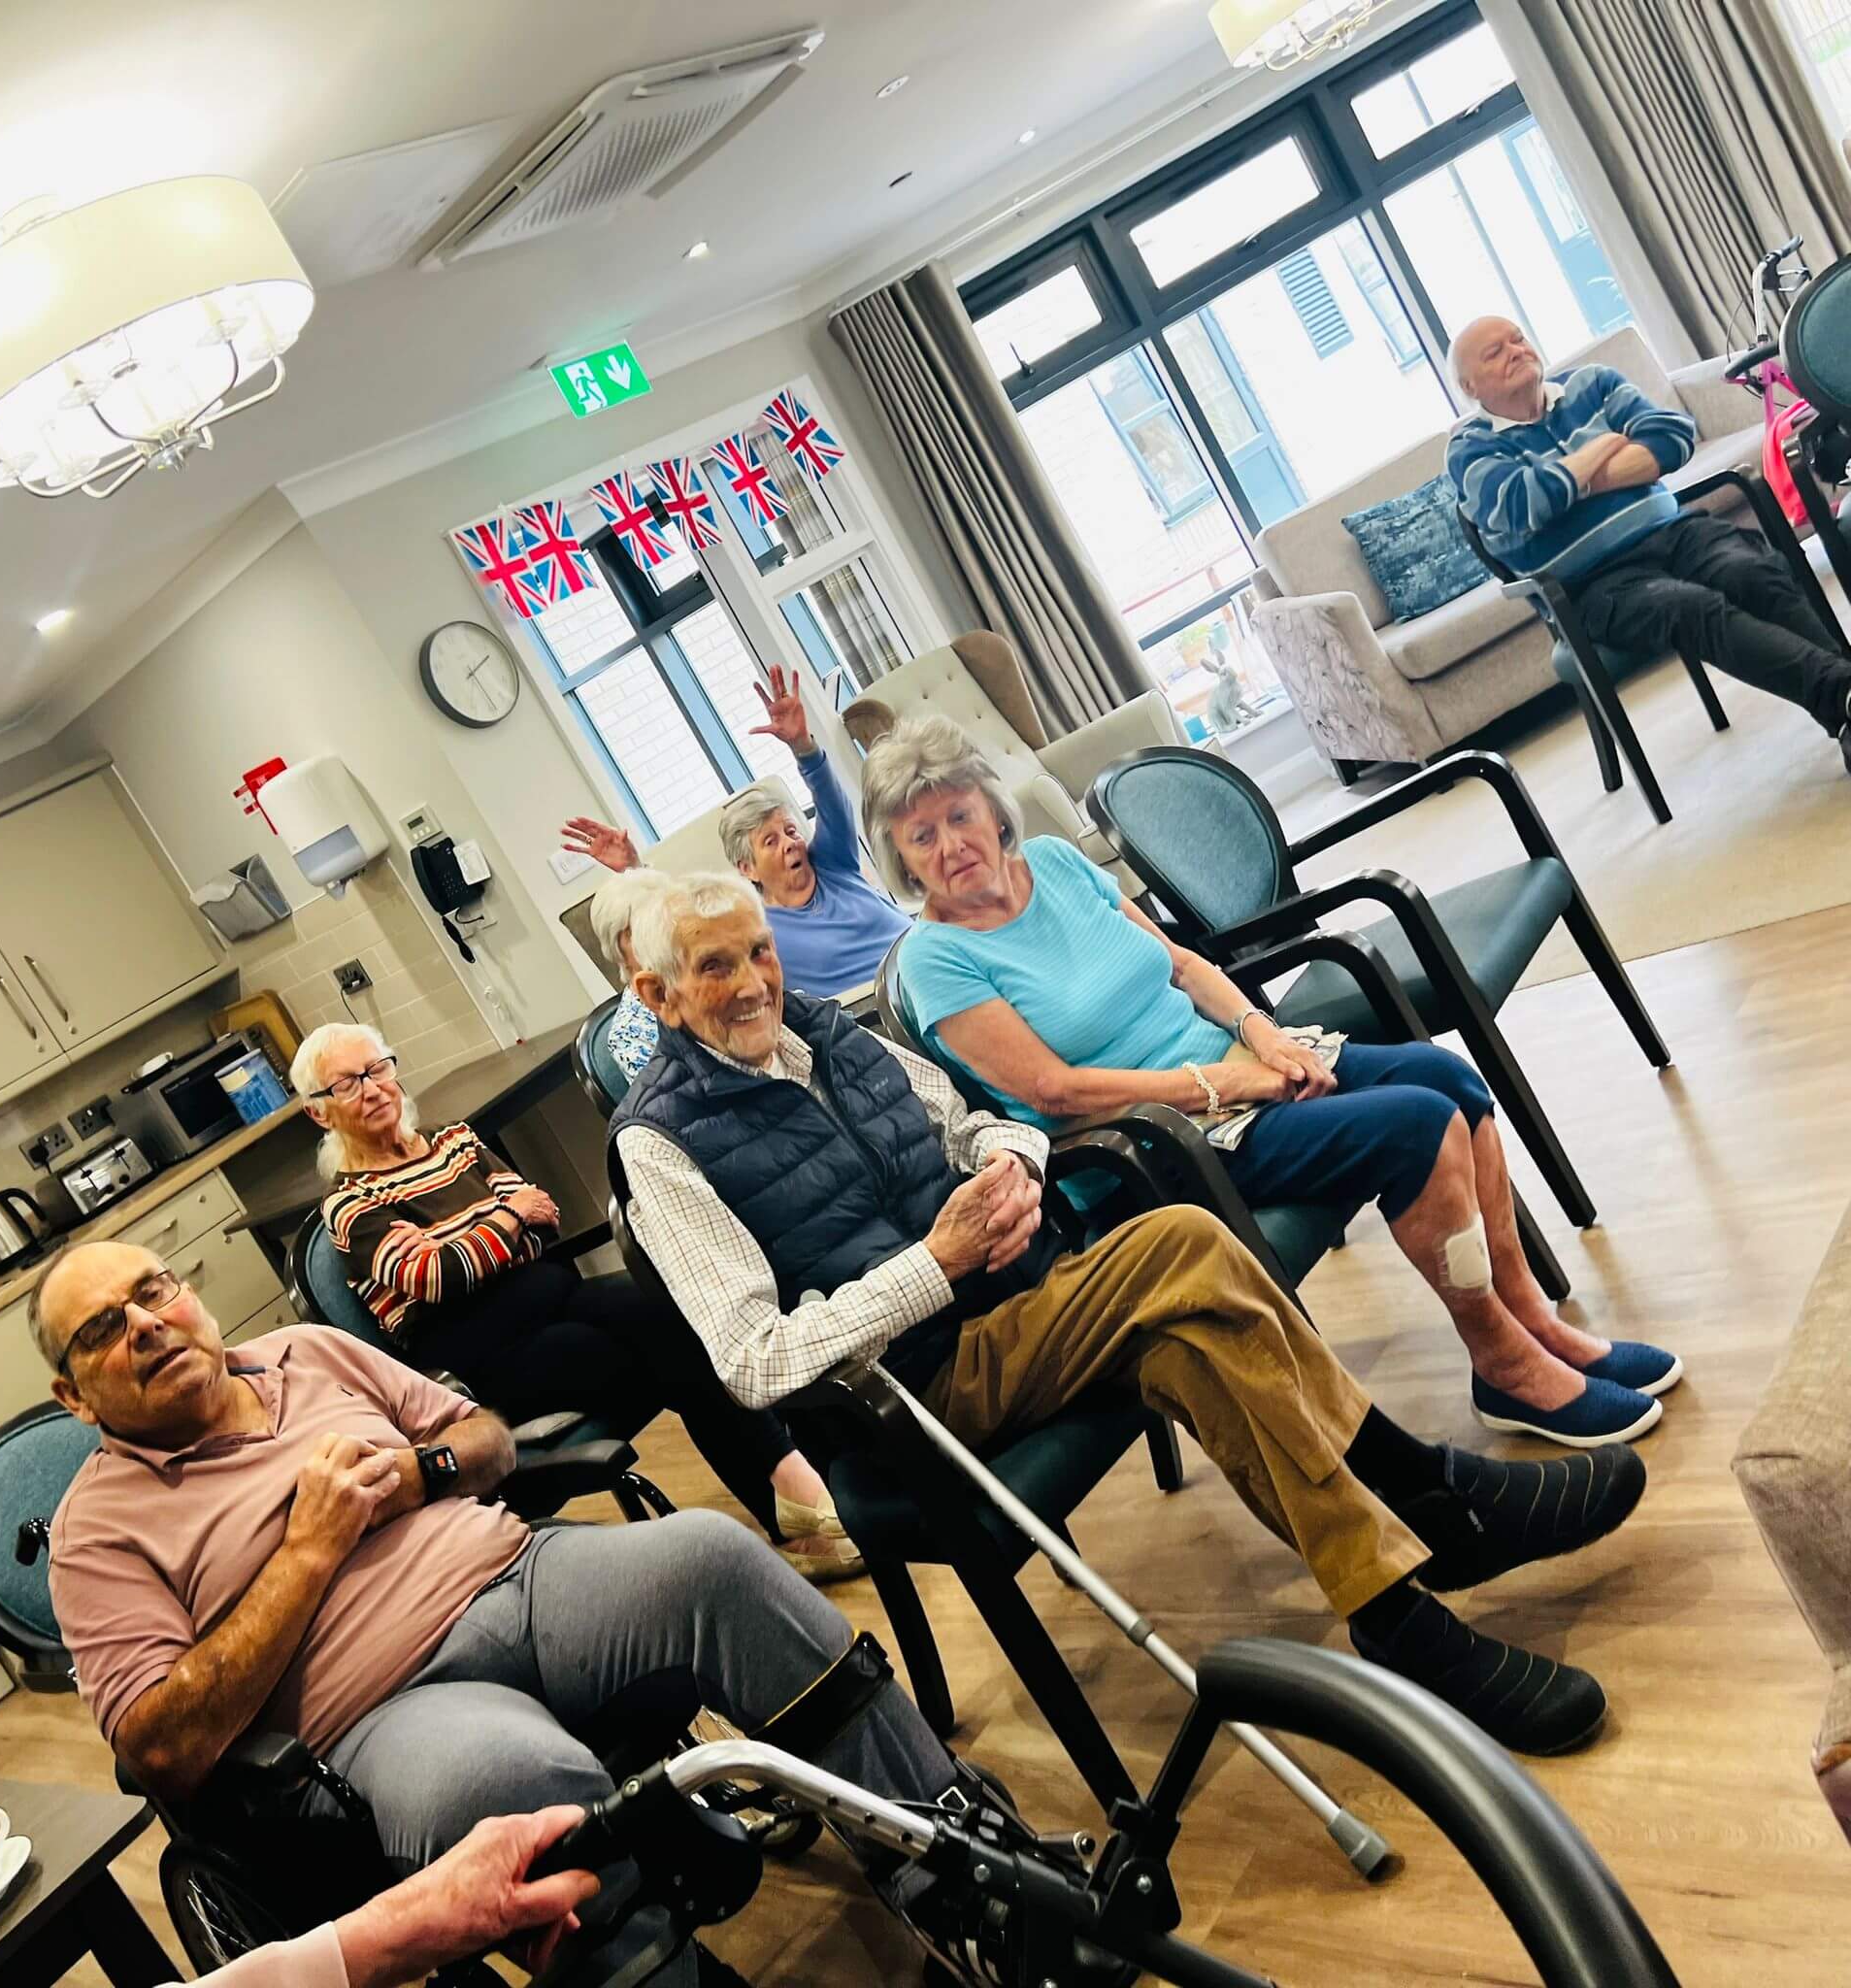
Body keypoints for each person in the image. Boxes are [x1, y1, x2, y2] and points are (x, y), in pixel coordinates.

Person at [610, 871, 1649, 1758]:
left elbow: (975, 1126)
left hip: (1016, 1304)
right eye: (713, 968)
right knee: (1183, 1239)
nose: (752, 982)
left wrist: (1009, 1174)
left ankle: (1399, 1613)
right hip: (910, 1392)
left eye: (758, 951)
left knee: (1195, 1340)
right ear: (654, 993)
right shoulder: (659, 1143)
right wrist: (937, 1260)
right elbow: (753, 1362)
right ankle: (1426, 1488)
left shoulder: (830, 1032)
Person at [34, 1240, 974, 1987]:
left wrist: (419, 1471)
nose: (146, 1323)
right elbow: (159, 1745)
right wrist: (308, 1549)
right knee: (519, 1781)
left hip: (524, 1576)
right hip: (380, 1711)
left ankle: (961, 1884)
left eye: (153, 1289)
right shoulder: (95, 1531)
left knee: (713, 1554)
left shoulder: (307, 1348)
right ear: (73, 1395)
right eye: (103, 1328)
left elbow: (482, 1435)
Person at [861, 715, 1678, 1450]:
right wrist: (1227, 1080)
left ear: (991, 810)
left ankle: (1531, 1318)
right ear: (902, 861)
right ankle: (1501, 1363)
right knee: (1415, 1128)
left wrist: (1264, 1033)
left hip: (1233, 1066)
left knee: (1448, 1078)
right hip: (1152, 1146)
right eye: (920, 837)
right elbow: (1054, 1091)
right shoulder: (937, 960)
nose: (949, 846)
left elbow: (1180, 962)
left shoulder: (1055, 864)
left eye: (957, 817)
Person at [294, 1022, 858, 1582]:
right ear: (319, 1113)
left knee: (675, 1313)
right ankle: (802, 1497)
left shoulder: (453, 1141)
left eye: (377, 1069)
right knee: (664, 1341)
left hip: (553, 1303)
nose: (371, 1089)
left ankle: (795, 1502)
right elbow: (437, 1275)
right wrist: (508, 1220)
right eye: (346, 1084)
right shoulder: (350, 1204)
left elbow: (545, 1218)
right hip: (483, 1363)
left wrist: (488, 1237)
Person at [1447, 314, 1851, 776]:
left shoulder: (1591, 385)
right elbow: (1521, 506)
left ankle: (1845, 709)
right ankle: (1842, 692)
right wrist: (1608, 445)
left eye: (1518, 338)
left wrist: (1569, 481)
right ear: (1469, 385)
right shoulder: (1468, 449)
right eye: (1495, 352)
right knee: (1690, 607)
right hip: (1591, 586)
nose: (1516, 350)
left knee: (1752, 570)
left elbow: (1674, 438)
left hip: (1674, 534)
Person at [562, 662, 910, 1006]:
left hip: (921, 957)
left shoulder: (833, 863)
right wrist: (633, 868)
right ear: (747, 868)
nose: (790, 843)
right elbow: (677, 915)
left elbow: (834, 804)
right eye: (770, 841)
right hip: (873, 1010)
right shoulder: (751, 925)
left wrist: (803, 745)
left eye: (790, 831)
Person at [157, 1807, 600, 1987]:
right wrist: (411, 1919)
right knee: (520, 1782)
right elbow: (156, 1745)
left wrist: (413, 1919)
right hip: (359, 1719)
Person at [592, 869, 675, 1085]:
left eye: (660, 923)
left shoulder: (701, 979)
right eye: (636, 932)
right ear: (616, 949)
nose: (653, 937)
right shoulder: (628, 1036)